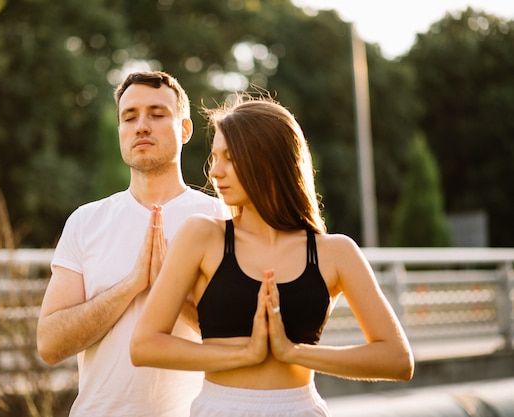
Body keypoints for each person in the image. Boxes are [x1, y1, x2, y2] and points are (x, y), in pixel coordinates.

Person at [130, 96, 415, 417]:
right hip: (221, 409)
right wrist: (246, 354)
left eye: (230, 157)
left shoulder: (336, 252)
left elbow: (397, 360)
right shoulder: (202, 236)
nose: (215, 172)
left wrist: (292, 351)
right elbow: (145, 345)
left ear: (269, 161)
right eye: (215, 157)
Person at [36, 71, 226, 417]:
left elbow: (241, 340)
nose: (141, 126)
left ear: (184, 130)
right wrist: (131, 284)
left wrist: (169, 288)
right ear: (120, 131)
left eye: (157, 114)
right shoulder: (85, 222)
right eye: (129, 117)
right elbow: (49, 345)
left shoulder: (222, 219)